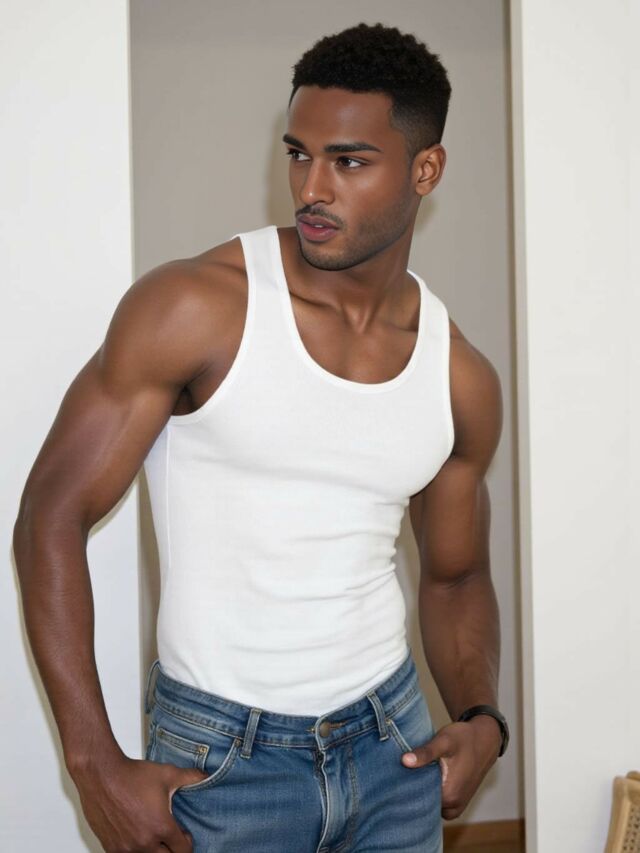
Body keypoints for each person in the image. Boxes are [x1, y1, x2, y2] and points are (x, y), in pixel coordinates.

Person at [13, 21, 508, 853]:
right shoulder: (196, 308)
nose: (311, 187)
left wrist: (482, 716)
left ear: (426, 170)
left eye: (349, 161)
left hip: (393, 749)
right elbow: (49, 516)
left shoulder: (458, 375)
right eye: (298, 154)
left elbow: (456, 576)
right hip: (219, 761)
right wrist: (93, 763)